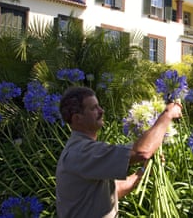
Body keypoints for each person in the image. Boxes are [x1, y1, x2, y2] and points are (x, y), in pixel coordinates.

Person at [55, 86, 182, 218]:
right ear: (77, 119)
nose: (101, 111)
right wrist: (167, 114)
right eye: (93, 108)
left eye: (99, 106)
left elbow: (114, 191)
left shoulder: (83, 149)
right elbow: (142, 152)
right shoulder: (82, 151)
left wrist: (143, 171)